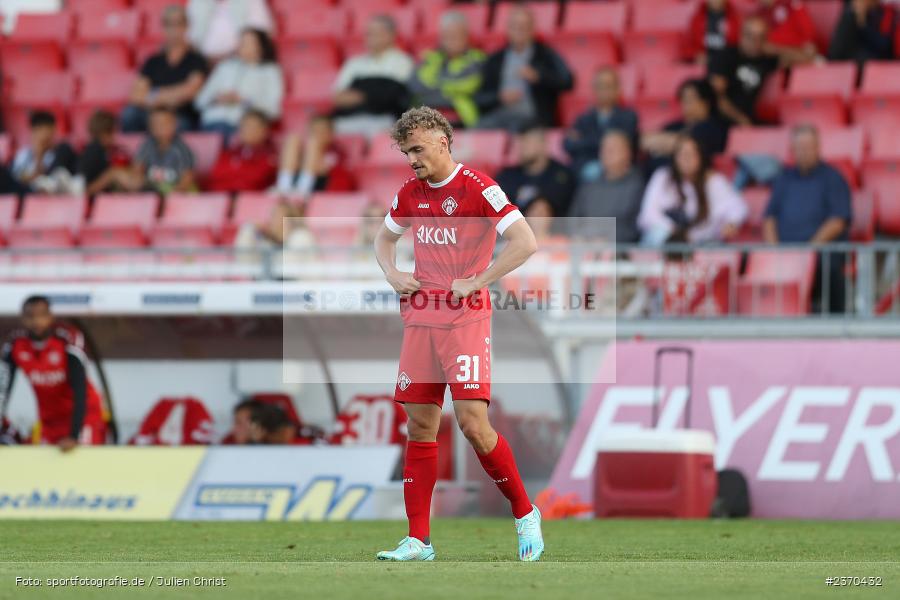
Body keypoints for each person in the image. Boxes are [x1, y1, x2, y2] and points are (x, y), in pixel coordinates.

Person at [373, 106, 543, 562]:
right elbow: (383, 239)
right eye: (407, 151)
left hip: (466, 320)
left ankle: (526, 513)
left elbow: (525, 241)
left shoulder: (479, 188)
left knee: (472, 424)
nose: (412, 159)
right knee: (420, 425)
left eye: (418, 149)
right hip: (422, 320)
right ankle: (418, 540)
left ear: (443, 142)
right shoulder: (410, 192)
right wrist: (392, 273)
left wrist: (479, 279)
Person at [763, 124, 852, 313]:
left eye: (808, 147)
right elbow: (769, 218)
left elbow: (837, 221)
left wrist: (809, 250)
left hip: (820, 251)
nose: (803, 152)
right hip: (784, 251)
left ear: (818, 147)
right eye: (799, 148)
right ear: (792, 150)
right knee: (749, 261)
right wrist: (773, 251)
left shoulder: (832, 178)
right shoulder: (784, 178)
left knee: (829, 267)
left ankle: (839, 325)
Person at [0, 296, 107, 450]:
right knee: (47, 467)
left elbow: (80, 390)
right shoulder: (16, 344)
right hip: (49, 421)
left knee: (81, 462)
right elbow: (3, 390)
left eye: (42, 315)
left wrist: (74, 435)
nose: (36, 321)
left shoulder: (67, 339)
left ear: (51, 316)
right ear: (23, 319)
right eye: (30, 316)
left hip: (84, 418)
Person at [476, 5, 573, 130]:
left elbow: (568, 82)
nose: (519, 30)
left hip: (535, 117)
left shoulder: (545, 54)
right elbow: (480, 97)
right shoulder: (495, 59)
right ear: (508, 28)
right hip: (500, 114)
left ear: (533, 29)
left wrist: (539, 76)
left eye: (524, 26)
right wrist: (500, 97)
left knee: (518, 129)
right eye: (515, 26)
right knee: (478, 129)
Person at [638, 133, 747, 245]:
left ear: (701, 157)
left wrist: (732, 223)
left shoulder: (713, 181)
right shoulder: (663, 176)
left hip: (700, 242)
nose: (686, 159)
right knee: (656, 235)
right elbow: (648, 214)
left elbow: (737, 207)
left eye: (691, 154)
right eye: (682, 154)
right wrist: (675, 232)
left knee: (713, 246)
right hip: (666, 238)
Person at [122, 4, 208, 132]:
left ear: (186, 26)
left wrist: (153, 95)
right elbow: (135, 95)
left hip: (180, 115)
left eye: (178, 24)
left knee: (180, 124)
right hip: (152, 114)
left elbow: (190, 92)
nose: (173, 29)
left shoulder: (196, 60)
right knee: (129, 115)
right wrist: (169, 97)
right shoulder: (153, 61)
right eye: (168, 24)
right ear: (163, 27)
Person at [332, 15, 415, 137]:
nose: (369, 37)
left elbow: (391, 97)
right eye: (368, 33)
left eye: (375, 33)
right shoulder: (354, 63)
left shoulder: (402, 62)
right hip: (348, 119)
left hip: (384, 120)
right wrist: (372, 93)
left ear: (391, 35)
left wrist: (360, 94)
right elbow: (338, 97)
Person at [194, 28, 283, 137]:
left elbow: (273, 110)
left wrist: (243, 100)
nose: (241, 45)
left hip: (243, 126)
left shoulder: (270, 71)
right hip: (211, 122)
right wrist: (217, 98)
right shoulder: (225, 67)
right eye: (240, 41)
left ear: (260, 46)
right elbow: (199, 102)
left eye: (247, 42)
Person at [408, 11, 486, 128]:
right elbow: (414, 85)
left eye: (455, 35)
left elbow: (469, 85)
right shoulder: (429, 58)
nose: (450, 40)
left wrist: (434, 88)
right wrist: (448, 90)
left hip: (461, 119)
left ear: (466, 36)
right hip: (424, 117)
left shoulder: (477, 59)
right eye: (446, 35)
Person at [568, 130, 645, 244]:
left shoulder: (638, 185)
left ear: (628, 153)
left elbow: (637, 227)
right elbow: (573, 219)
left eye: (613, 148)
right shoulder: (589, 186)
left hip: (621, 253)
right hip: (584, 249)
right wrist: (578, 237)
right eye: (604, 148)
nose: (606, 152)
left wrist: (609, 239)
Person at [563, 67, 639, 179]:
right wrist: (602, 141)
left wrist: (583, 140)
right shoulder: (582, 118)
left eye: (608, 86)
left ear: (618, 89)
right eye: (599, 86)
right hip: (583, 170)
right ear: (593, 89)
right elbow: (568, 144)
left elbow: (621, 145)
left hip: (617, 172)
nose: (603, 91)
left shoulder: (628, 116)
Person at [642, 78, 730, 169]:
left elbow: (687, 146)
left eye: (690, 98)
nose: (685, 103)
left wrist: (661, 143)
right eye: (683, 98)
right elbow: (643, 140)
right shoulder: (675, 125)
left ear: (706, 103)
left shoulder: (713, 126)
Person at [496, 122, 575, 220]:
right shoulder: (507, 176)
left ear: (543, 144)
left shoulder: (561, 176)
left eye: (527, 142)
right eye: (520, 143)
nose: (522, 148)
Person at [709, 16, 779, 126]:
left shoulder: (767, 59)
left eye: (761, 37)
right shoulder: (725, 56)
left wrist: (775, 49)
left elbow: (805, 57)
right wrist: (741, 120)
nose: (755, 42)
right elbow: (718, 99)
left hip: (749, 119)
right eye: (750, 36)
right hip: (719, 121)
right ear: (741, 35)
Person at [275, 115, 355, 197]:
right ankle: (283, 186)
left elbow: (333, 171)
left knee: (313, 145)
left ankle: (303, 188)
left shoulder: (336, 151)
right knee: (292, 139)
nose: (318, 134)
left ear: (331, 133)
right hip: (296, 179)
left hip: (319, 184)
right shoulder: (301, 149)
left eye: (323, 131)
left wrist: (313, 157)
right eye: (315, 131)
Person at [206, 109, 277, 193]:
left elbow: (255, 181)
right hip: (219, 198)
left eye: (253, 127)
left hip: (251, 201)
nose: (247, 131)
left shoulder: (270, 158)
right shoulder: (228, 153)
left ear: (265, 131)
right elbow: (215, 176)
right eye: (245, 126)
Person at [132, 107, 197, 195]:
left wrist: (172, 193)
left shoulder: (182, 150)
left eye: (163, 124)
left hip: (174, 191)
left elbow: (186, 180)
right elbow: (138, 170)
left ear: (174, 125)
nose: (159, 127)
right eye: (155, 124)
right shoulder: (147, 145)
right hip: (151, 190)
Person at [10, 111, 79, 193]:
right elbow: (15, 179)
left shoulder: (62, 151)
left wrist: (39, 157)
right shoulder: (23, 154)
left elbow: (48, 180)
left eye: (45, 129)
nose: (42, 135)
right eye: (38, 130)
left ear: (53, 130)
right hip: (22, 193)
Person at [187, 0, 273, 61]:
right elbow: (187, 37)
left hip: (240, 62)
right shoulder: (197, 2)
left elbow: (261, 35)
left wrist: (235, 54)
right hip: (201, 63)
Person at [78, 110, 135, 196]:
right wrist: (111, 175)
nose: (114, 137)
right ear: (105, 134)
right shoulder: (94, 151)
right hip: (92, 199)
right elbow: (84, 189)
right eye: (113, 132)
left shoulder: (102, 150)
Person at [829, 0, 900, 62]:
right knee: (849, 16)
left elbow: (884, 47)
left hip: (877, 59)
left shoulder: (885, 12)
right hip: (853, 58)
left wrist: (863, 24)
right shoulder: (851, 15)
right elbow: (840, 48)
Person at [756, 0, 819, 65]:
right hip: (771, 54)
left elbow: (809, 38)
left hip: (796, 52)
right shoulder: (763, 10)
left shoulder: (792, 6)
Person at [687, 0, 743, 65]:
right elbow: (691, 42)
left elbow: (737, 43)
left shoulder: (735, 18)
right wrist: (696, 54)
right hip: (703, 59)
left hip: (727, 59)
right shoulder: (697, 18)